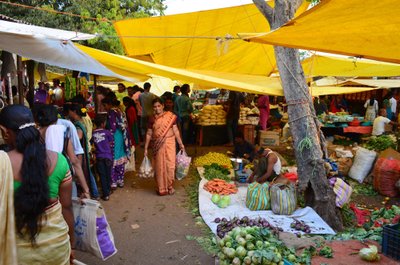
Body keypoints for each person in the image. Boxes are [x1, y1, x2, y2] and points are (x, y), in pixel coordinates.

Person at [0, 105, 73, 264]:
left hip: (16, 255)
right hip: (57, 248)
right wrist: (71, 245)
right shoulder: (59, 161)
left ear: (5, 132)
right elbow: (66, 207)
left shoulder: (2, 164)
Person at [35, 104, 91, 199]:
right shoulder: (63, 137)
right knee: (68, 208)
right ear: (56, 119)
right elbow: (75, 162)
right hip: (64, 179)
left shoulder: (33, 137)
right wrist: (86, 190)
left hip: (40, 182)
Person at [144, 98, 184, 196]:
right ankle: (161, 188)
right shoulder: (151, 118)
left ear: (162, 106)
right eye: (154, 107)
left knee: (170, 166)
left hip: (170, 143)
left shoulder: (170, 116)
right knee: (158, 167)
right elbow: (149, 133)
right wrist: (145, 148)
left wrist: (181, 144)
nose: (157, 109)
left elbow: (176, 130)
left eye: (159, 106)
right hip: (157, 145)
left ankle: (170, 186)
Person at [66, 104, 99, 198]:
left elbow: (79, 136)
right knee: (87, 172)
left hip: (81, 154)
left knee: (85, 172)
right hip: (84, 151)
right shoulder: (80, 122)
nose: (68, 113)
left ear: (74, 112)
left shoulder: (78, 125)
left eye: (70, 111)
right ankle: (94, 193)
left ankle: (92, 193)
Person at [102, 96, 131, 189]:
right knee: (120, 158)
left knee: (113, 158)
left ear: (109, 104)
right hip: (122, 136)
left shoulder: (111, 112)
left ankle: (113, 181)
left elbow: (112, 128)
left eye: (104, 105)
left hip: (114, 136)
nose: (104, 107)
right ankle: (120, 180)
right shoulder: (120, 111)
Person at [92, 115, 114, 201]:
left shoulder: (93, 134)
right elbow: (111, 144)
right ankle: (108, 190)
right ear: (102, 124)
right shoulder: (107, 132)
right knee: (108, 174)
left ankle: (105, 194)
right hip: (108, 156)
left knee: (102, 175)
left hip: (99, 157)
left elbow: (93, 146)